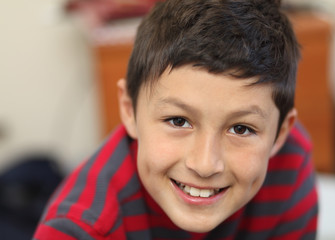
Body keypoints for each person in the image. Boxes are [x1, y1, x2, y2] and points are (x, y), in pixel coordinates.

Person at [33, 0, 318, 239]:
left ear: (280, 133)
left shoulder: (291, 164)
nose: (205, 164)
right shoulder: (79, 229)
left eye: (240, 128)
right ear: (129, 109)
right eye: (178, 121)